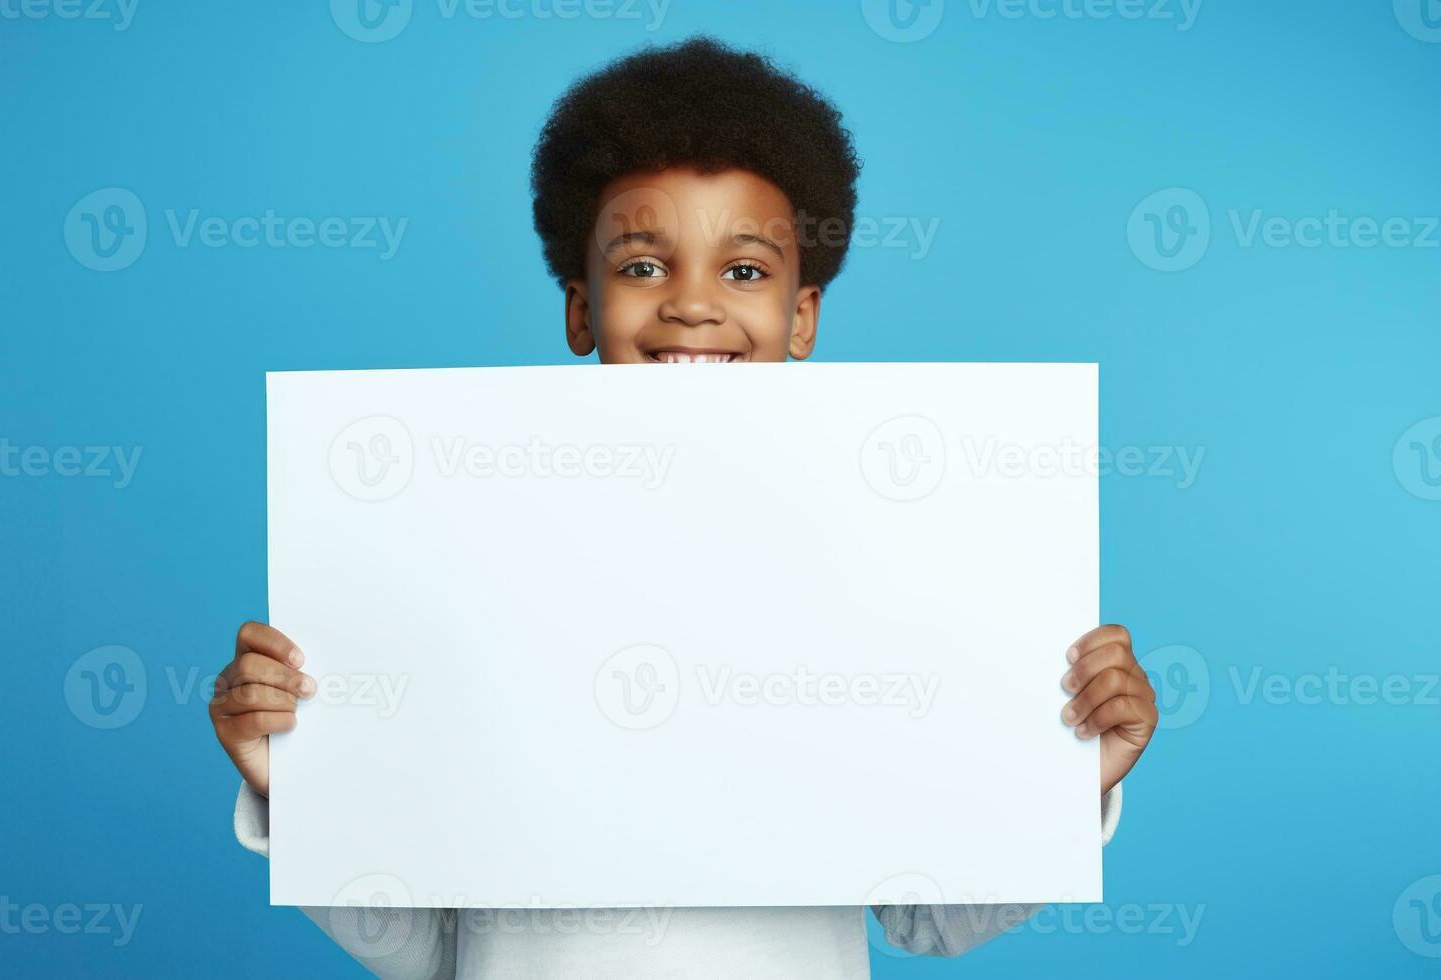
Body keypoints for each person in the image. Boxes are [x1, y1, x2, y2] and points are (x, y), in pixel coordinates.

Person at [210, 36, 1158, 979]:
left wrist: (1073, 776)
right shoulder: (461, 551)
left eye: (743, 270)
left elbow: (926, 918)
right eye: (643, 267)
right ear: (581, 309)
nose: (693, 306)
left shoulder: (884, 558)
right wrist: (300, 793)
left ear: (803, 316)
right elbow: (426, 952)